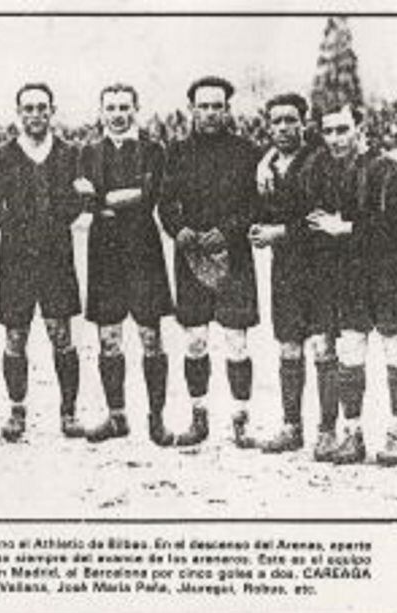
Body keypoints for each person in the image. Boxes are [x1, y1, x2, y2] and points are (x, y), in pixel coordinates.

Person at [300, 103, 397, 466]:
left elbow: (389, 223)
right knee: (351, 348)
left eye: (342, 129)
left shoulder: (385, 168)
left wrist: (346, 227)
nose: (335, 138)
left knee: (395, 347)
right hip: (347, 273)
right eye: (328, 131)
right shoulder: (322, 170)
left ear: (359, 128)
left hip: (388, 270)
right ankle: (353, 435)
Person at [159, 76, 262, 447]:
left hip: (234, 256)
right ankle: (198, 416)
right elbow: (165, 200)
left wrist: (231, 231)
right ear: (192, 109)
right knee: (196, 339)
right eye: (203, 106)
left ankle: (241, 420)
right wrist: (179, 229)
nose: (210, 113)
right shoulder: (177, 151)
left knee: (236, 339)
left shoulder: (246, 151)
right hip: (191, 255)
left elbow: (256, 203)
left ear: (227, 109)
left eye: (217, 106)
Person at [0, 83, 86, 442]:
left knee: (62, 335)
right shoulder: (2, 156)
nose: (35, 114)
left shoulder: (69, 154)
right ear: (19, 113)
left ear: (52, 111)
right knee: (15, 337)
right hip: (15, 258)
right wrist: (16, 227)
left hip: (57, 256)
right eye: (28, 108)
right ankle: (17, 412)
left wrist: (58, 221)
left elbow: (80, 199)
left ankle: (69, 413)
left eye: (42, 107)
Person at [75, 83, 176, 446]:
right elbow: (84, 200)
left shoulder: (153, 149)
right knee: (108, 339)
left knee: (150, 336)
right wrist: (117, 197)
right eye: (111, 108)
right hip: (103, 252)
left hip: (143, 250)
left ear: (137, 108)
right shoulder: (88, 151)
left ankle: (157, 420)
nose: (118, 114)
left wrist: (104, 197)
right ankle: (117, 417)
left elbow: (147, 194)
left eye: (124, 107)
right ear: (101, 111)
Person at [249, 93, 340, 457]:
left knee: (322, 345)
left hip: (319, 266)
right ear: (268, 126)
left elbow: (323, 217)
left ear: (304, 123)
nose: (283, 127)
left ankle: (328, 431)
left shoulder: (321, 160)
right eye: (277, 121)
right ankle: (291, 427)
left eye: (291, 120)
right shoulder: (268, 165)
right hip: (285, 269)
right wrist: (260, 229)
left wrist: (279, 232)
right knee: (288, 344)